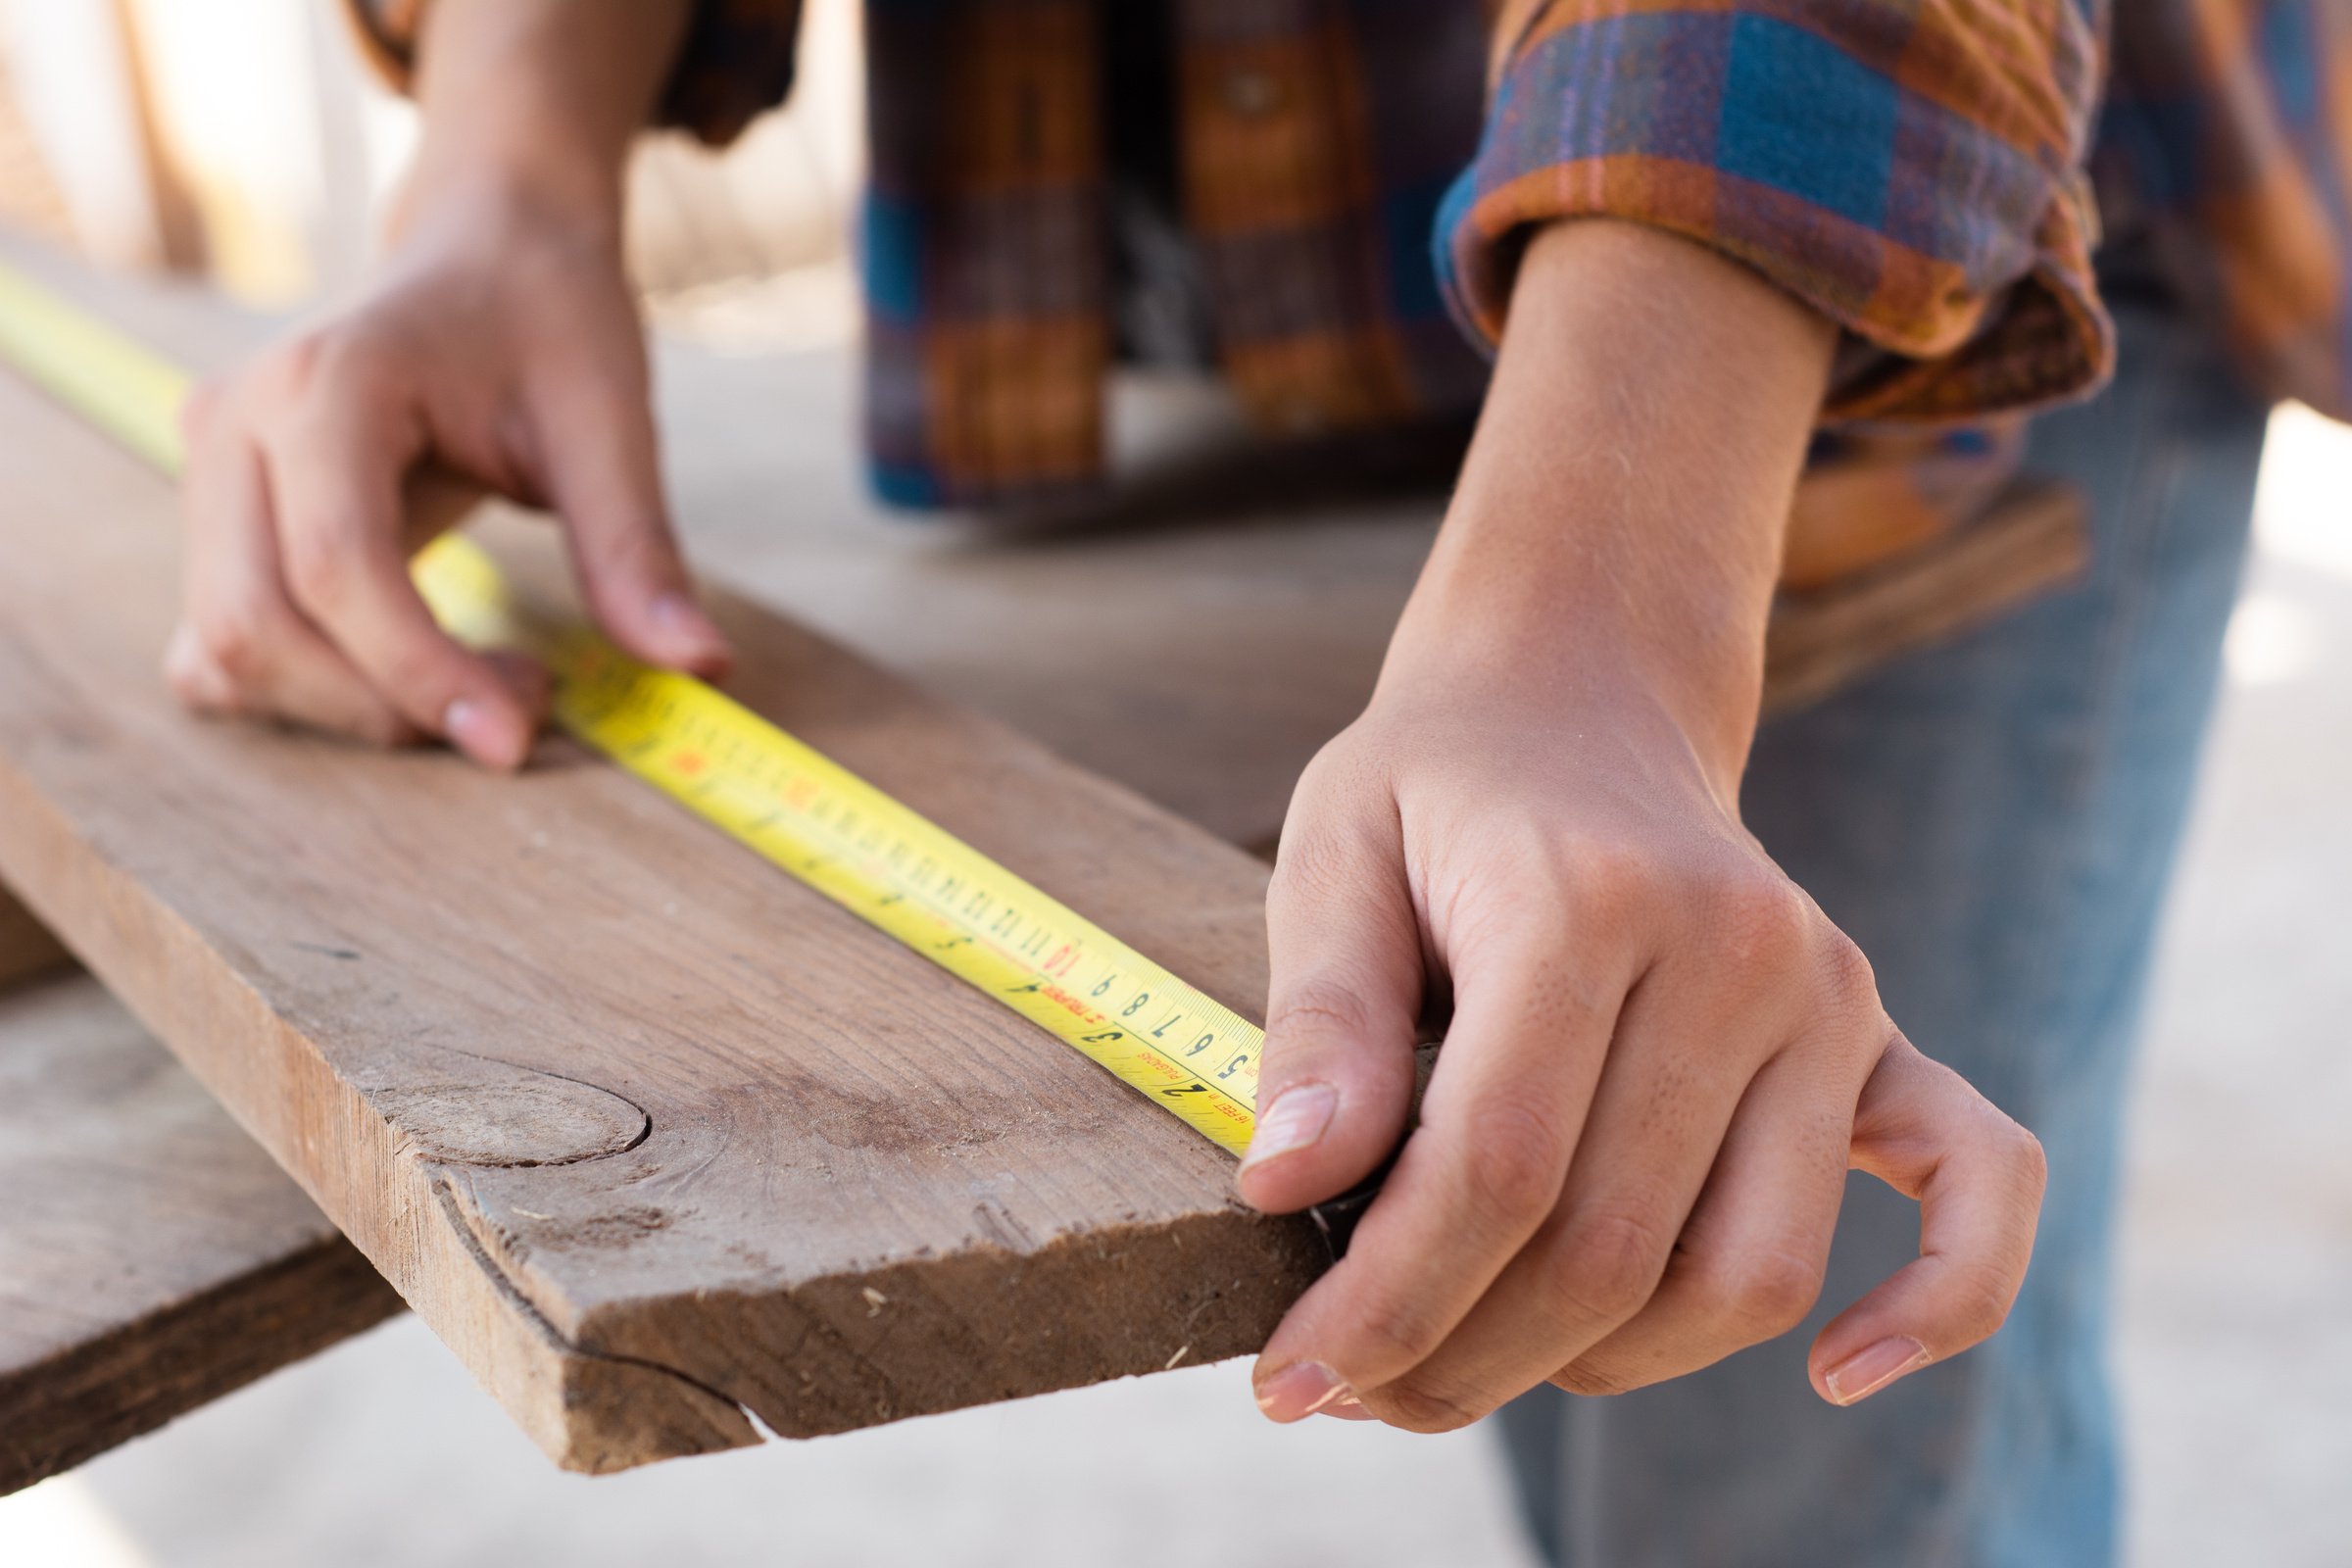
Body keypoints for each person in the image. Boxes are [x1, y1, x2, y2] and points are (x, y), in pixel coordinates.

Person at [164, 2, 2334, 1562]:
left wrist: (1603, 604)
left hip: (1895, 232)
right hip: (1235, 224)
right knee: (1554, 1244)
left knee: (1778, 1453)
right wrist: (501, 177)